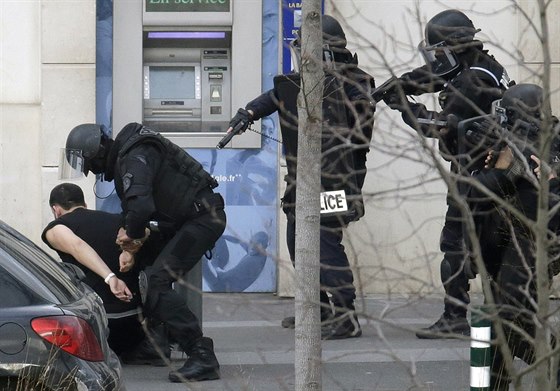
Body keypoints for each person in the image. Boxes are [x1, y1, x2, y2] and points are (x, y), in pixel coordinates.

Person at [226, 15, 375, 339]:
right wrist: (248, 112)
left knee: (325, 243)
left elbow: (355, 134)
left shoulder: (356, 83)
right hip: (303, 181)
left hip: (339, 180)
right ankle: (316, 309)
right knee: (298, 239)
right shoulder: (308, 82)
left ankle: (346, 316)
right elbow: (279, 93)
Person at [380, 9, 513, 338]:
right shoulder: (483, 65)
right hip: (495, 170)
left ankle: (455, 317)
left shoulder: (473, 80)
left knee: (455, 244)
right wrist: (402, 82)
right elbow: (435, 76)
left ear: (452, 48)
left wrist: (403, 105)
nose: (436, 59)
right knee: (490, 245)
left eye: (439, 52)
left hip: (476, 171)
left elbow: (439, 126)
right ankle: (505, 319)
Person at [63, 122, 227, 382]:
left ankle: (201, 353)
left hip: (202, 220)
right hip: (187, 220)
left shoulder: (133, 157)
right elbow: (136, 209)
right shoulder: (128, 156)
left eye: (89, 163)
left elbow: (140, 208)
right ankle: (157, 342)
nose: (91, 171)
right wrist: (132, 242)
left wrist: (130, 239)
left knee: (156, 283)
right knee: (146, 272)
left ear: (96, 153)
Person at [465, 84, 560, 389]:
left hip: (522, 256)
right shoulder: (545, 142)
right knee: (496, 333)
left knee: (514, 332)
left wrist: (493, 164)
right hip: (517, 253)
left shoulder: (526, 150)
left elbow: (477, 193)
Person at [42, 183, 149, 358]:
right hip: (132, 321)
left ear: (56, 209)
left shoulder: (56, 229)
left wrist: (110, 277)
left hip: (97, 325)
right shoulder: (117, 220)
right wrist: (128, 251)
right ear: (84, 204)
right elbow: (144, 230)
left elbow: (77, 246)